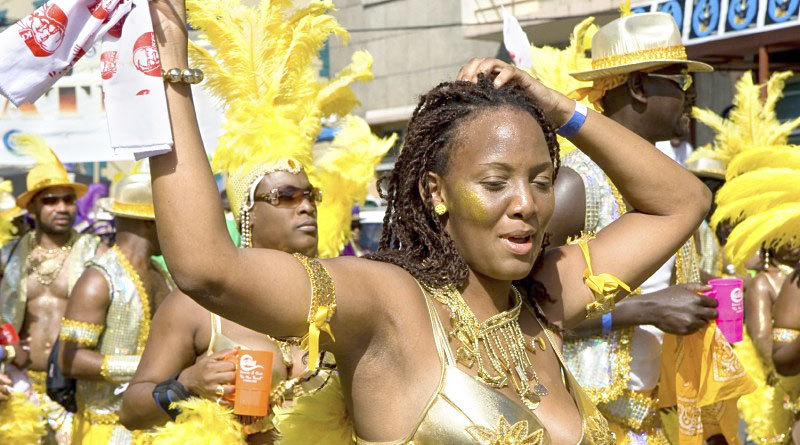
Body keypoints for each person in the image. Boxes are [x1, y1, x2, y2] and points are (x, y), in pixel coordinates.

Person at [122, 2, 391, 443]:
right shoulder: (196, 305)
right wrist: (185, 384)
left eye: (311, 195)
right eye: (286, 196)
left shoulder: (347, 289)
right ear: (247, 211)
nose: (305, 206)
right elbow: (131, 409)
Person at [0, 133, 103, 444]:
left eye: (68, 199)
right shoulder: (9, 256)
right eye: (50, 200)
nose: (61, 207)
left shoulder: (95, 253)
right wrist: (10, 343)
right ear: (32, 207)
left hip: (75, 387)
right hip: (22, 383)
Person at [56, 172, 173, 444]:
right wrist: (150, 369)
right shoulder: (99, 279)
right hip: (106, 431)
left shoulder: (161, 273)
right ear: (148, 223)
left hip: (155, 426)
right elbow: (70, 359)